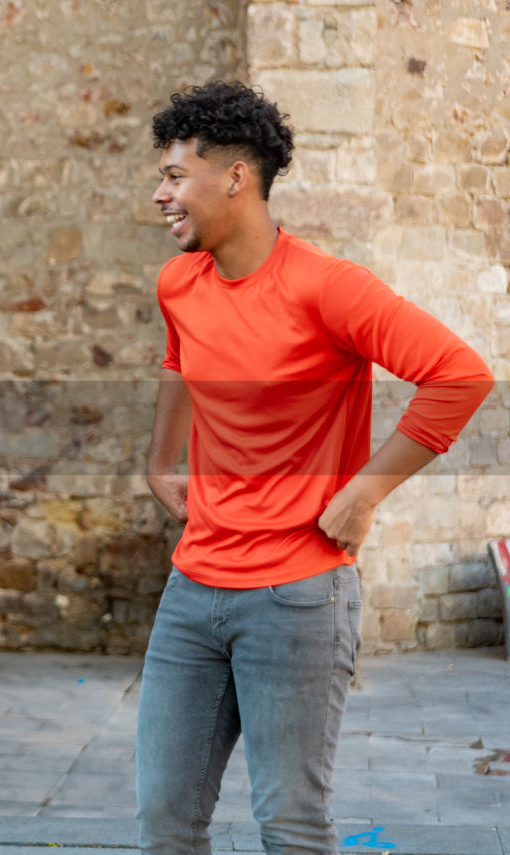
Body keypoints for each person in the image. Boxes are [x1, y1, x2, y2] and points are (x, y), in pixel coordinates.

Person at [139, 81, 493, 854]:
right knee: (165, 820)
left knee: (291, 823)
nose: (160, 192)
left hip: (297, 594)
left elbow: (459, 374)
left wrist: (366, 491)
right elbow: (177, 357)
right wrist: (159, 460)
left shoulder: (327, 287)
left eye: (174, 174)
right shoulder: (179, 283)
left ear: (235, 177)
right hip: (193, 586)